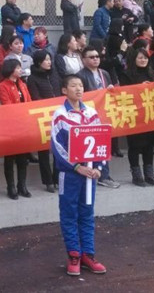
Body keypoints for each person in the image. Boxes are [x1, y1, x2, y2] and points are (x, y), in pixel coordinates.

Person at [51, 74, 107, 276]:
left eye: (81, 85)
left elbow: (101, 140)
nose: (78, 89)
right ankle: (74, 255)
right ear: (64, 90)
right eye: (73, 85)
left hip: (89, 173)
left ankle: (88, 255)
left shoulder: (91, 113)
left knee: (87, 213)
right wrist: (76, 167)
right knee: (69, 213)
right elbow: (57, 146)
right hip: (70, 174)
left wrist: (99, 167)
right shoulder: (60, 115)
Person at [76, 46, 121, 189]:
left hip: (104, 114)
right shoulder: (80, 76)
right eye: (91, 57)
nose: (95, 59)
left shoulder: (105, 73)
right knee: (91, 146)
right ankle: (93, 174)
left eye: (97, 56)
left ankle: (103, 174)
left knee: (103, 146)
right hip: (88, 116)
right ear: (84, 60)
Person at [119, 48, 154, 187]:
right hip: (134, 114)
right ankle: (136, 176)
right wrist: (139, 88)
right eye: (140, 58)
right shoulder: (126, 74)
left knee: (149, 146)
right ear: (134, 59)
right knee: (135, 146)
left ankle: (149, 175)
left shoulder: (151, 73)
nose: (143, 60)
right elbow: (124, 94)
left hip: (149, 113)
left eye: (145, 58)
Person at [0, 59, 33, 200]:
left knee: (22, 158)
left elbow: (29, 101)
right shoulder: (3, 85)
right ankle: (11, 187)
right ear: (11, 69)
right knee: (10, 158)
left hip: (24, 124)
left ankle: (22, 185)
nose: (20, 70)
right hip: (11, 125)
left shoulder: (22, 84)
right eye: (18, 68)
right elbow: (7, 105)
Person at [27, 50, 60, 192]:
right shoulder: (32, 78)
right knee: (43, 151)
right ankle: (48, 181)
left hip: (58, 115)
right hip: (42, 116)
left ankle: (57, 178)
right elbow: (35, 97)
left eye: (49, 59)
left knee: (59, 148)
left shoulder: (54, 74)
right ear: (39, 62)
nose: (49, 62)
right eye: (46, 60)